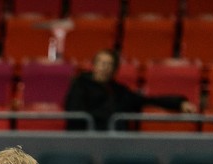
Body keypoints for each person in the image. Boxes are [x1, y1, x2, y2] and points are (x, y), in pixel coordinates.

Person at [64, 49, 196, 131]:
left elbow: (147, 100)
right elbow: (75, 114)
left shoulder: (119, 91)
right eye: (101, 63)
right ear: (94, 65)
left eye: (109, 64)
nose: (104, 67)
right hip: (86, 138)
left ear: (115, 69)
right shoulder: (80, 85)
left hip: (116, 141)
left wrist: (179, 102)